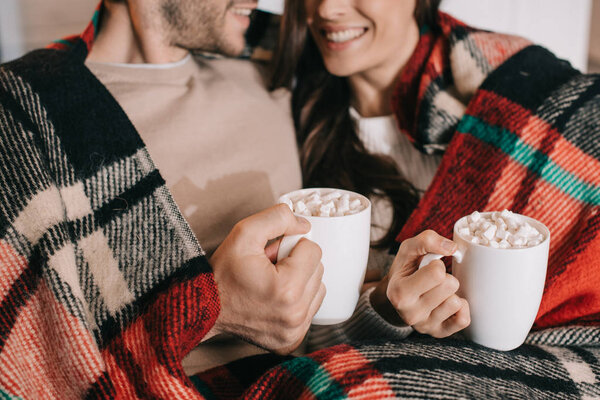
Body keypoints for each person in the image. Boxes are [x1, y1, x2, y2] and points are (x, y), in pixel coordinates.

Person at [0, 0, 329, 397]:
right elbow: (30, 364)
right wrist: (212, 311)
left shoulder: (278, 61)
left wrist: (383, 306)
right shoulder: (24, 118)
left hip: (316, 374)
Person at [270, 0, 600, 350]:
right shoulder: (292, 118)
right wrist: (385, 308)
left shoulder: (520, 83)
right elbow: (310, 334)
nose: (327, 9)